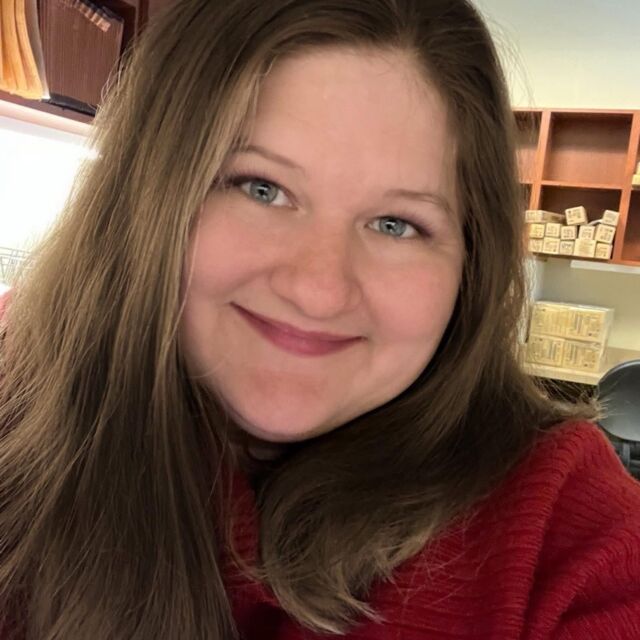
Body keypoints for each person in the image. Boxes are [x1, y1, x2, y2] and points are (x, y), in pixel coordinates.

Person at [0, 0, 639, 638]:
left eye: (396, 224)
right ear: (146, 194)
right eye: (261, 188)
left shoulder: (563, 525)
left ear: (471, 263)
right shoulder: (17, 406)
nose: (319, 291)